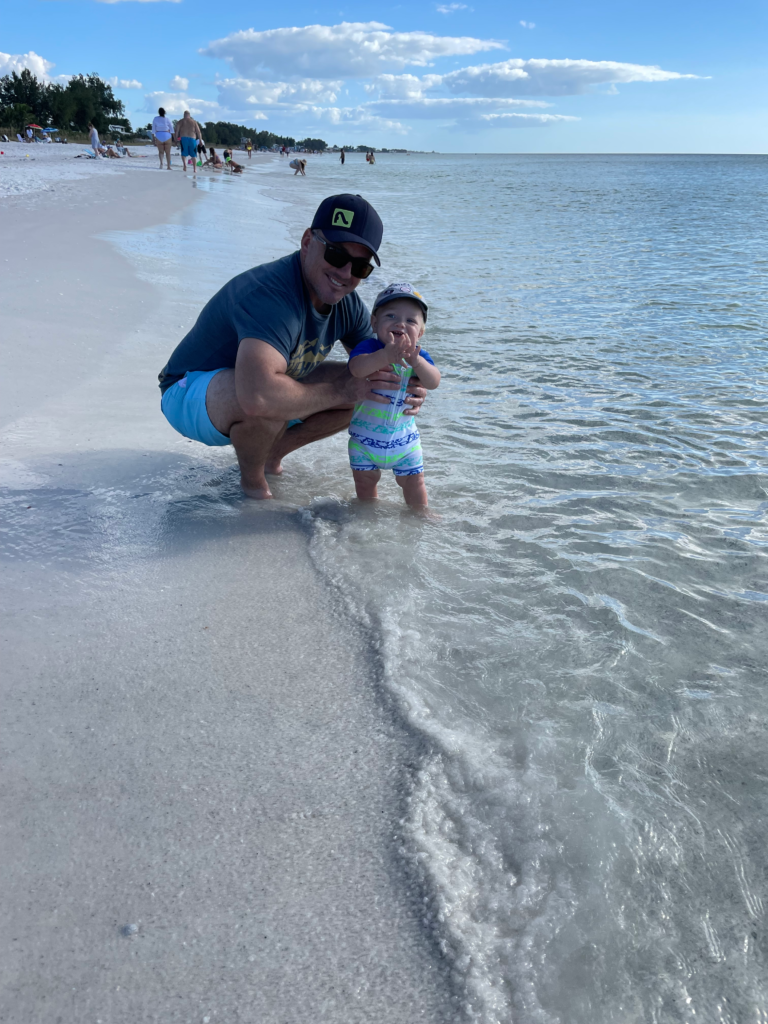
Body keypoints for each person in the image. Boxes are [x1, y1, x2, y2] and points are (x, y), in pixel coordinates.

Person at [157, 193, 428, 499]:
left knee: (373, 383)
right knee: (266, 395)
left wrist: (409, 387)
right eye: (336, 255)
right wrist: (344, 391)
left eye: (360, 267)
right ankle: (254, 486)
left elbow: (383, 365)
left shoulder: (346, 303)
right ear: (307, 241)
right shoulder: (270, 295)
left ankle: (272, 455)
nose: (345, 274)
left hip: (250, 386)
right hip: (186, 392)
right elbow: (257, 397)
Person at [347, 283, 440, 508]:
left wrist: (417, 362)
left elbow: (433, 381)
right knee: (365, 481)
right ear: (374, 322)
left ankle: (420, 516)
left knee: (414, 482)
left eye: (411, 321)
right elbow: (357, 369)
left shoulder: (420, 356)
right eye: (391, 316)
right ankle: (368, 513)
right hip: (364, 442)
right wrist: (385, 355)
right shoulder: (369, 347)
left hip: (405, 442)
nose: (400, 323)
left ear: (421, 332)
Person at [175, 110, 202, 177]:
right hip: (192, 138)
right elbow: (198, 132)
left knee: (184, 153)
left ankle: (185, 165)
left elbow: (177, 131)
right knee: (193, 155)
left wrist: (175, 139)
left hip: (183, 138)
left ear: (184, 115)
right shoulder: (194, 122)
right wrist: (200, 140)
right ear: (189, 115)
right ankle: (195, 169)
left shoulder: (180, 121)